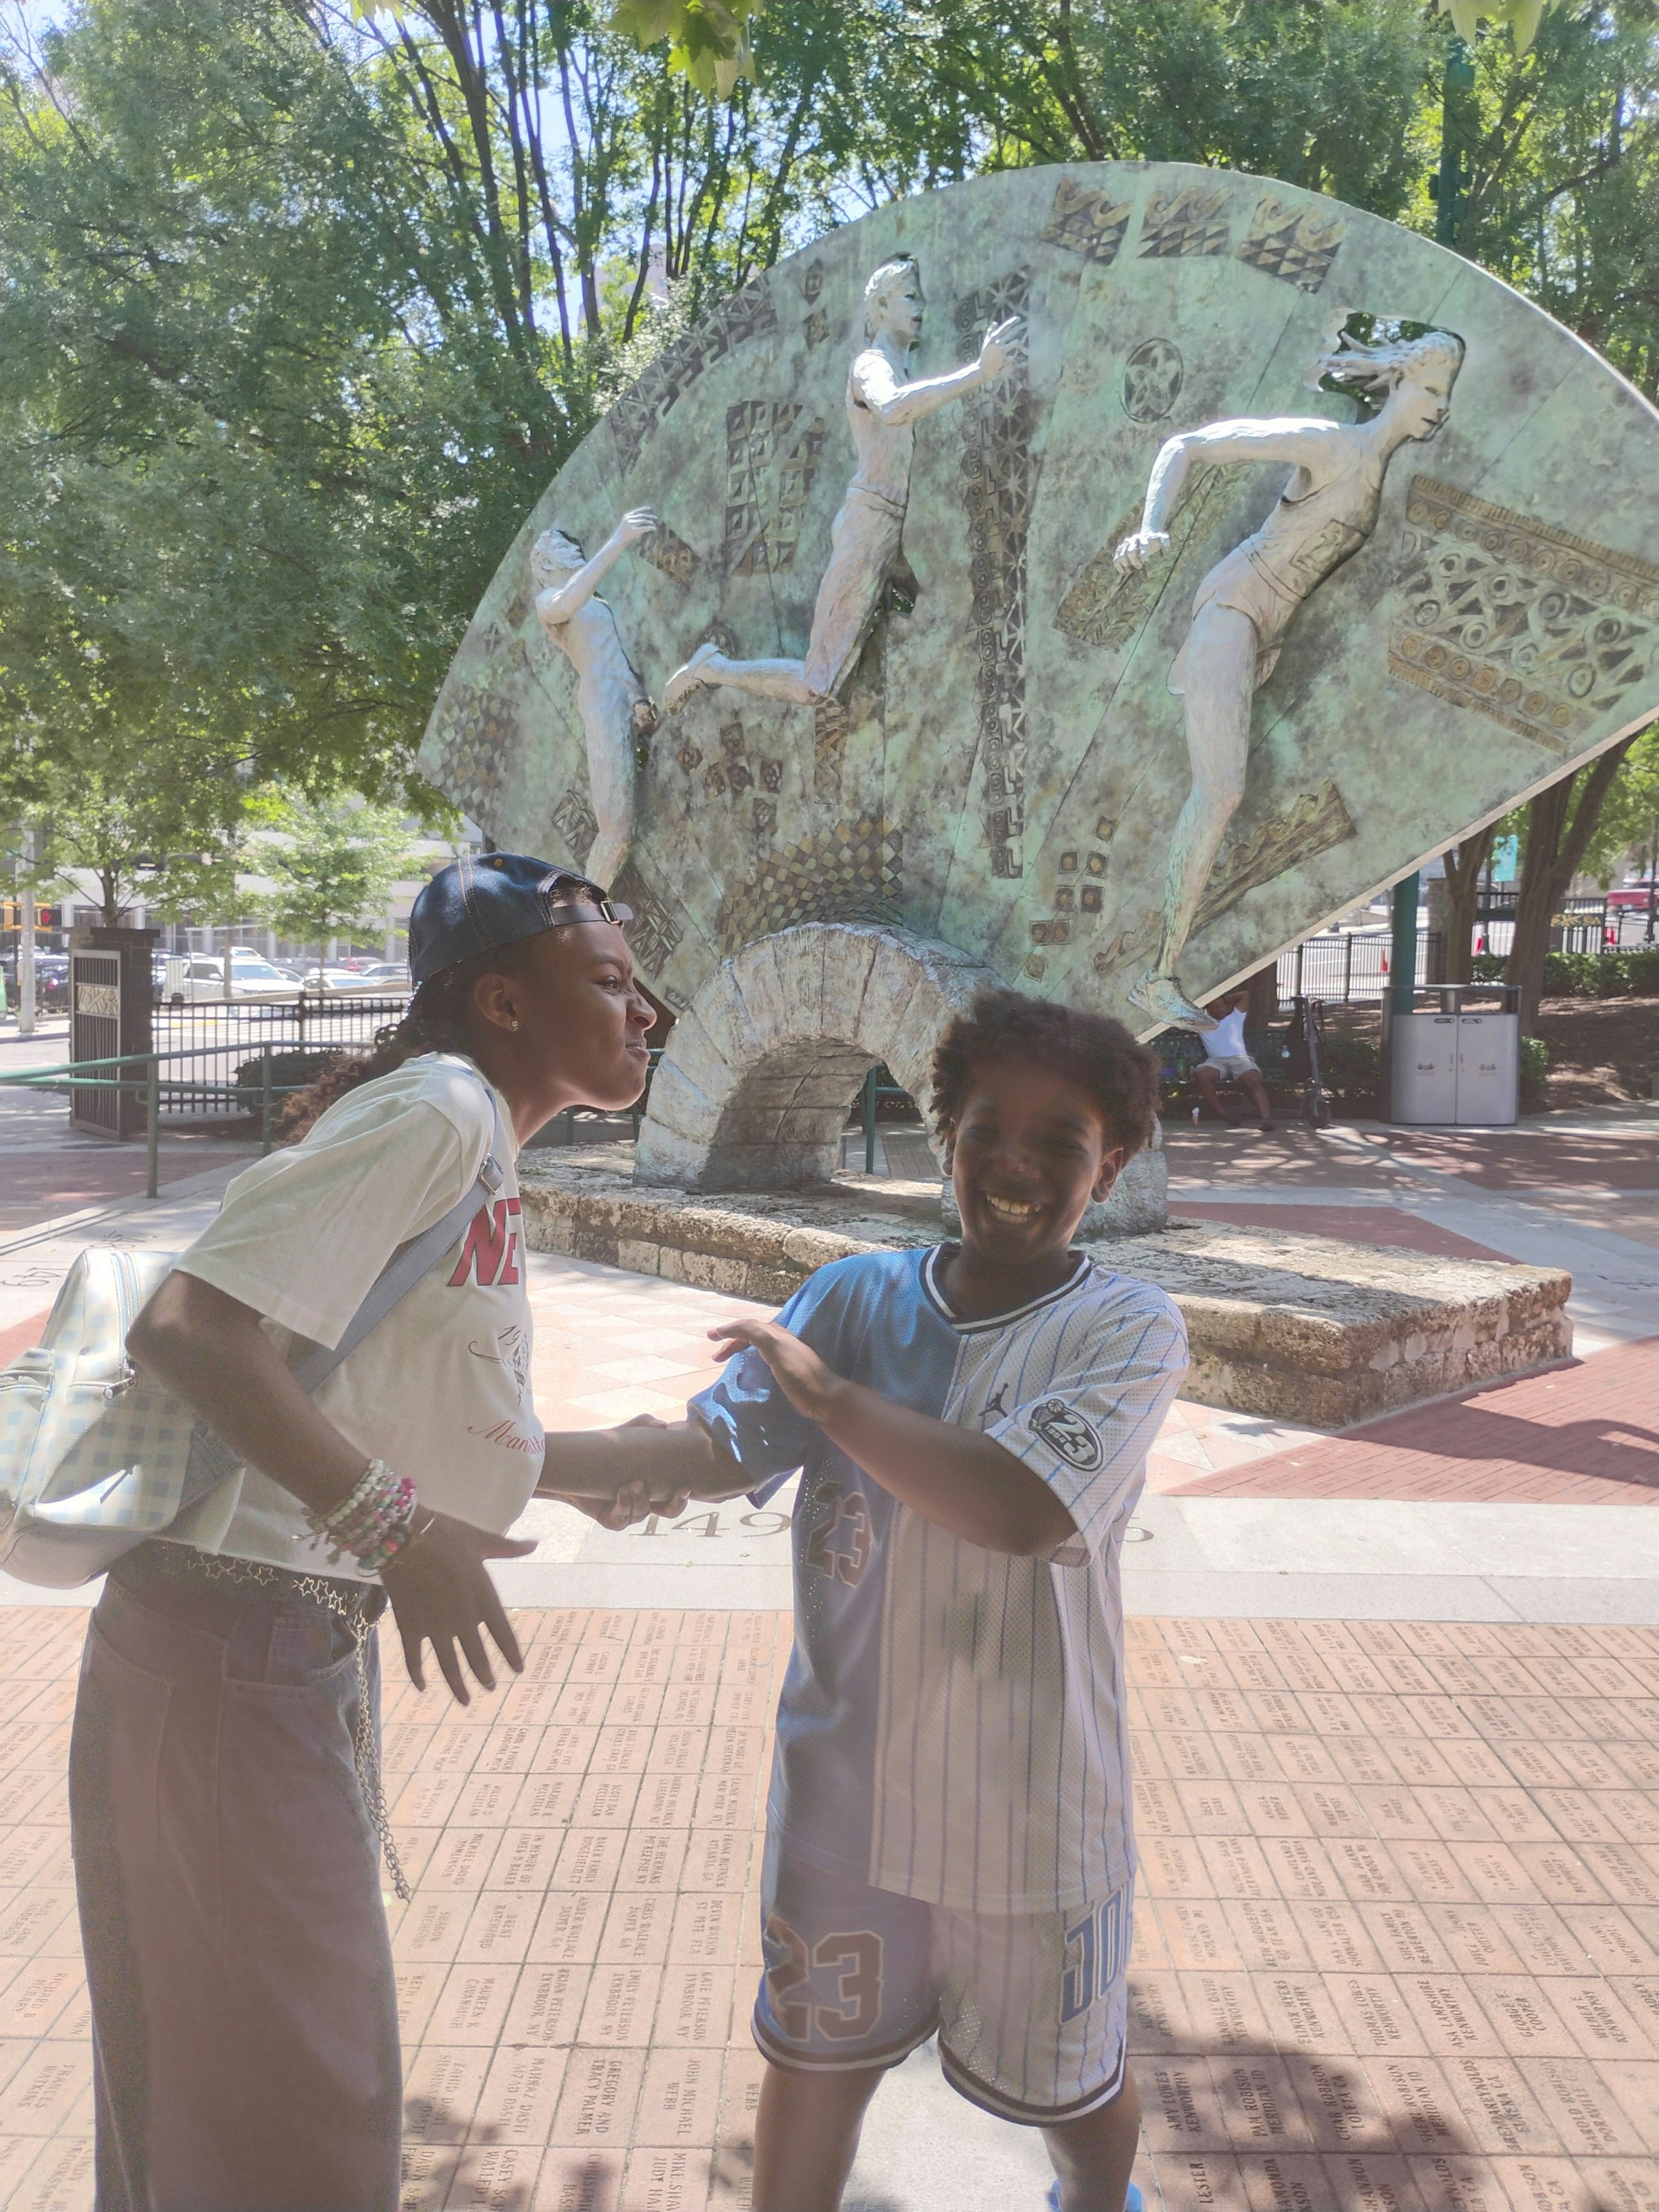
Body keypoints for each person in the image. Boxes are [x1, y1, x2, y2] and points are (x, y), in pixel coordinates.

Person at [70, 853, 680, 2212]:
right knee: (294, 2107)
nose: (646, 1012)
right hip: (230, 1653)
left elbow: (352, 1398)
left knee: (256, 2095)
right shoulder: (441, 1108)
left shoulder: (471, 1135)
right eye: (609, 980)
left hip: (265, 1653)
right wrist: (402, 1533)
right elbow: (191, 1332)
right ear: (502, 1001)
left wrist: (589, 1466)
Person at [541, 987, 1187, 2212]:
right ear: (943, 1136)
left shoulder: (1128, 1329)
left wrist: (834, 1401)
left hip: (1032, 1803)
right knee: (811, 2060)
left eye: (1060, 1140)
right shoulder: (850, 1297)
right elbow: (709, 1449)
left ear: (1110, 1167)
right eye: (986, 1128)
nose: (1014, 1161)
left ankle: (1099, 2204)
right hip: (844, 1790)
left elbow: (1019, 1507)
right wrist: (507, 1456)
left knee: (1072, 2082)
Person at [1113, 327, 1465, 1033]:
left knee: (1229, 790)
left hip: (1265, 636)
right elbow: (1187, 445)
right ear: (1399, 382)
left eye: (1446, 395)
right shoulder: (1331, 444)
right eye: (1431, 389)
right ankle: (1157, 976)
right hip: (1233, 607)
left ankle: (1161, 971)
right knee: (1221, 790)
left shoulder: (1377, 473)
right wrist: (1152, 526)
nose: (1440, 406)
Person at [663, 258, 1024, 713]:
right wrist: (979, 373)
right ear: (880, 306)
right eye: (910, 296)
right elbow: (893, 408)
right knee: (817, 684)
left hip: (900, 531)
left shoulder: (902, 367)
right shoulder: (870, 365)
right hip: (870, 528)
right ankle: (711, 668)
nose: (922, 305)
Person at [531, 508, 661, 890]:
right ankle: (581, 913)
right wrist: (618, 540)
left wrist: (637, 697)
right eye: (565, 546)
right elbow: (568, 602)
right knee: (616, 830)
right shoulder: (549, 600)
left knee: (623, 829)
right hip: (601, 702)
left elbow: (613, 654)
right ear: (546, 563)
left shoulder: (595, 602)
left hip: (623, 700)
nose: (576, 549)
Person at [1192, 989, 1273, 1132]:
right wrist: (1208, 1000)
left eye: (1221, 1006)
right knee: (1202, 1075)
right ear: (1207, 1010)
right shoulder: (1201, 1023)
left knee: (1253, 1078)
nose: (1219, 1010)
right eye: (1214, 1007)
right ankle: (1223, 1112)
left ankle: (1266, 1119)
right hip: (1216, 1062)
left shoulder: (1235, 1017)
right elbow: (1190, 1007)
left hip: (1239, 1059)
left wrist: (1222, 999)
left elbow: (1245, 995)